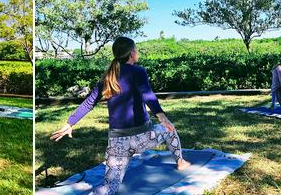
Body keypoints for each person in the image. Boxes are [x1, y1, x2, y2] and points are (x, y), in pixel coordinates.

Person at [50, 37, 189, 195]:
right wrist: (162, 118)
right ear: (132, 53)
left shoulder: (108, 76)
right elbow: (147, 95)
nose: (137, 52)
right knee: (170, 129)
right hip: (143, 138)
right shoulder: (138, 71)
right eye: (136, 50)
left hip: (117, 144)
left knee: (109, 187)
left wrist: (69, 123)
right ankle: (181, 162)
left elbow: (89, 102)